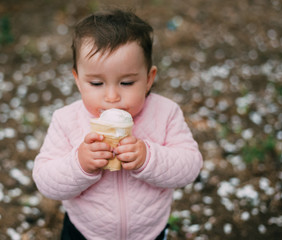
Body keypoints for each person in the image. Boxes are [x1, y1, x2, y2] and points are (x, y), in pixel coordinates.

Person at [32, 9, 203, 240]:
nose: (112, 96)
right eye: (96, 83)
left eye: (126, 82)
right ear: (78, 81)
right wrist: (80, 164)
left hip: (148, 232)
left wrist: (148, 158)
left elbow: (190, 166)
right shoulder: (66, 120)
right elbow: (45, 180)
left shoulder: (165, 113)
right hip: (85, 231)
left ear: (148, 79)